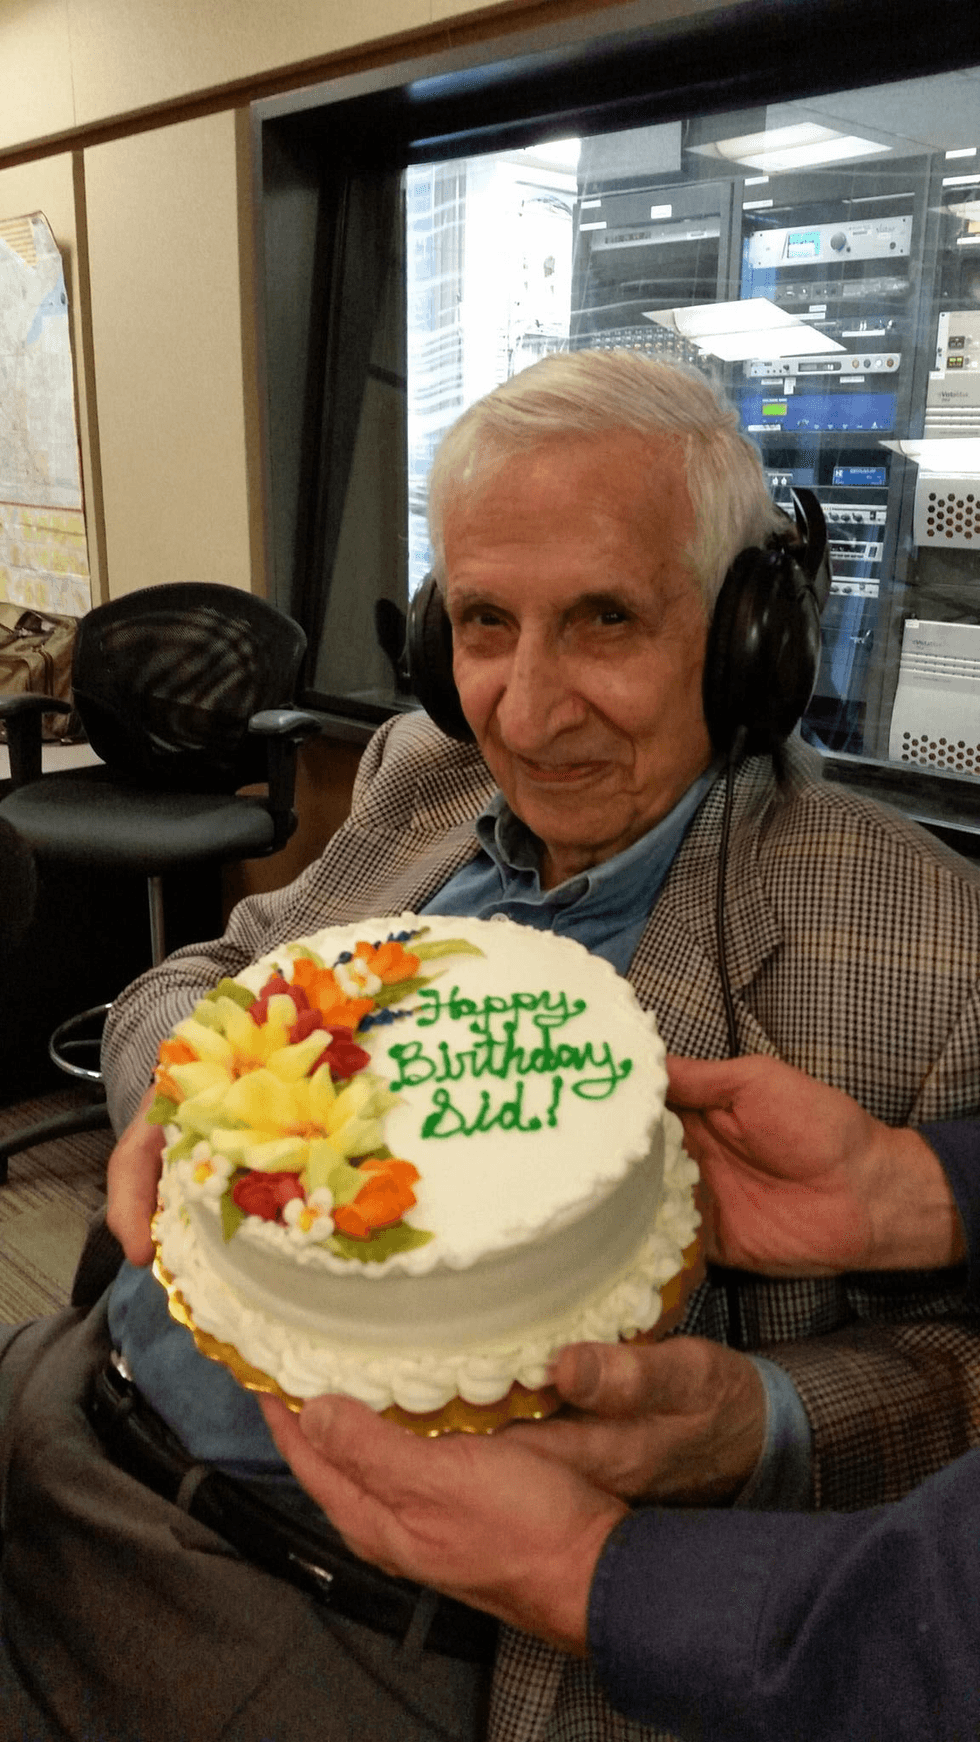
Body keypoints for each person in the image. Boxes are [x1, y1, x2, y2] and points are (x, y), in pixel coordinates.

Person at [2, 348, 980, 1741]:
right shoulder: (424, 772)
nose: (523, 708)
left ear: (751, 631)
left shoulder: (933, 946)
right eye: (482, 624)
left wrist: (763, 1415)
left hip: (308, 1613)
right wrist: (204, 1092)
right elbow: (202, 974)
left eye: (604, 620)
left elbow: (962, 1371)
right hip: (68, 1378)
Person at [259, 1056, 980, 1742]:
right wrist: (915, 1184)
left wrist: (601, 1571)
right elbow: (195, 982)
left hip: (423, 1630)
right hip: (158, 1440)